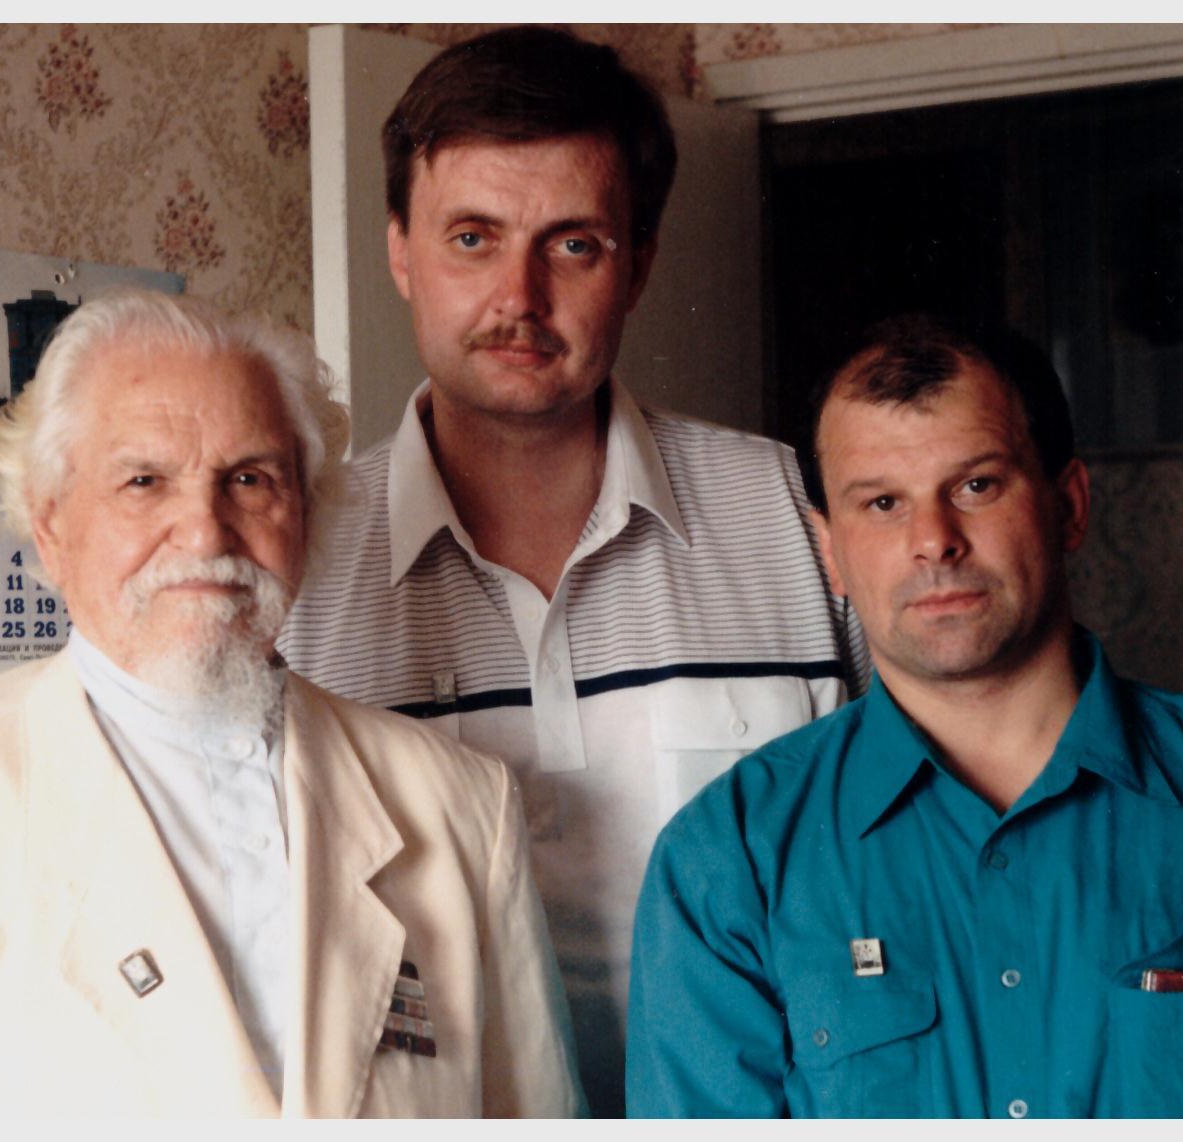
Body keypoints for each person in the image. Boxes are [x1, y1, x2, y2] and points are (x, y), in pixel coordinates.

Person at [0, 290, 583, 1118]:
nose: (206, 531)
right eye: (144, 481)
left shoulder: (465, 810)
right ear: (50, 527)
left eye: (249, 479)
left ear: (306, 513)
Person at [277, 26, 864, 1116]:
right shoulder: (296, 569)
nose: (520, 295)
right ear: (399, 251)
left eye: (575, 245)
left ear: (639, 264)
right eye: (472, 237)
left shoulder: (793, 511)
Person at [626, 314, 1183, 1117]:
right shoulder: (727, 863)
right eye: (883, 502)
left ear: (1068, 506)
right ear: (829, 551)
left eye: (976, 486)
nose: (934, 541)